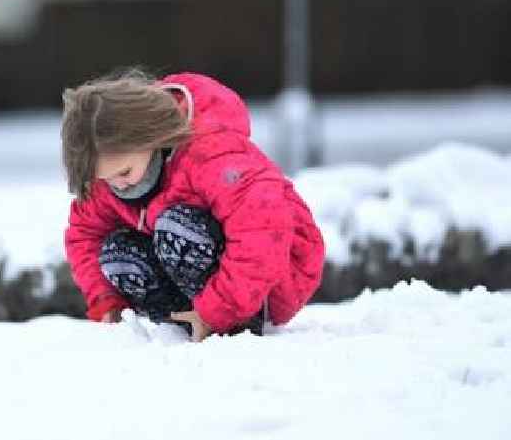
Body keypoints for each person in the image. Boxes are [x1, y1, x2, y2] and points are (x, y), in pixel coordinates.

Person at [61, 68, 324, 342]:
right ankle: (181, 325)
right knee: (118, 253)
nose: (118, 185)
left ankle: (234, 326)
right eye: (106, 178)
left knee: (175, 228)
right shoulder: (112, 181)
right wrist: (106, 300)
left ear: (151, 139)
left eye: (124, 173)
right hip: (198, 278)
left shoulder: (210, 154)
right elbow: (84, 235)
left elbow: (262, 229)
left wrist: (217, 311)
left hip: (271, 276)